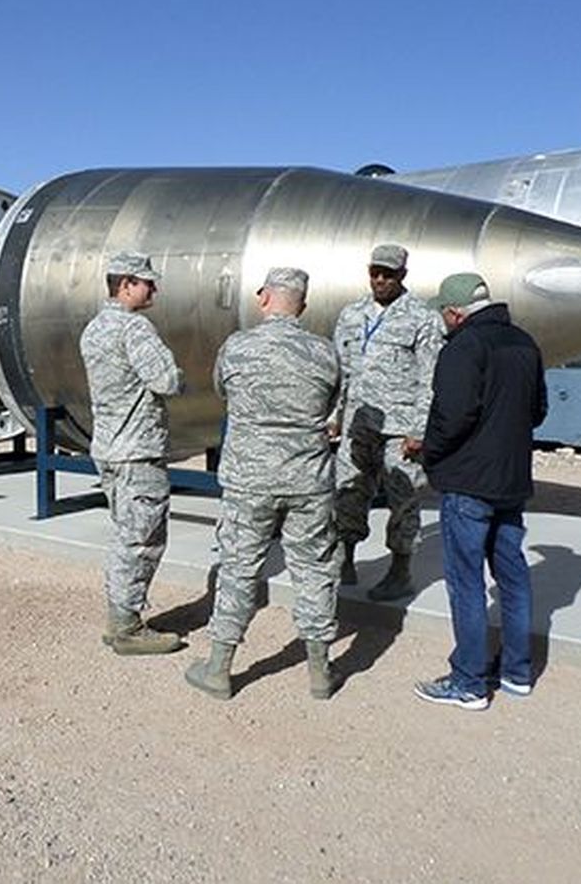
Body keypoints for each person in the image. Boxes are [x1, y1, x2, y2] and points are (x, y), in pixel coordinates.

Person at [186, 267, 342, 700]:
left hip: (249, 479)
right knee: (313, 569)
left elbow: (223, 393)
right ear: (303, 305)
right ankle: (319, 673)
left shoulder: (237, 348)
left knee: (239, 568)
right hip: (308, 479)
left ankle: (219, 669)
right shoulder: (324, 352)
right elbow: (332, 402)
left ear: (263, 298)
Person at [414, 272, 547, 710]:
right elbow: (538, 411)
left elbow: (452, 417)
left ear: (455, 313)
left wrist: (428, 452)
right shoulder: (525, 343)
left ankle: (468, 681)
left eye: (445, 315)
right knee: (513, 578)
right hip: (511, 483)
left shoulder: (464, 347)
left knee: (466, 581)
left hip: (469, 484)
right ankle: (516, 672)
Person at [79, 251, 185, 655]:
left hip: (109, 448)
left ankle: (120, 618)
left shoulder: (94, 329)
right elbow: (166, 380)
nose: (153, 288)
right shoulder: (134, 329)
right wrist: (179, 375)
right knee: (142, 539)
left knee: (127, 535)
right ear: (126, 285)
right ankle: (126, 627)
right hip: (138, 449)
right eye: (146, 282)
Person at [330, 243, 443, 601]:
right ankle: (344, 558)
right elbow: (339, 371)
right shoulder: (352, 314)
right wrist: (334, 417)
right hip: (357, 422)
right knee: (348, 489)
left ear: (402, 276)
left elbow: (431, 378)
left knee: (403, 497)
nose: (380, 279)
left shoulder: (422, 318)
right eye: (375, 272)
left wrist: (420, 430)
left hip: (400, 426)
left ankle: (400, 569)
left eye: (388, 274)